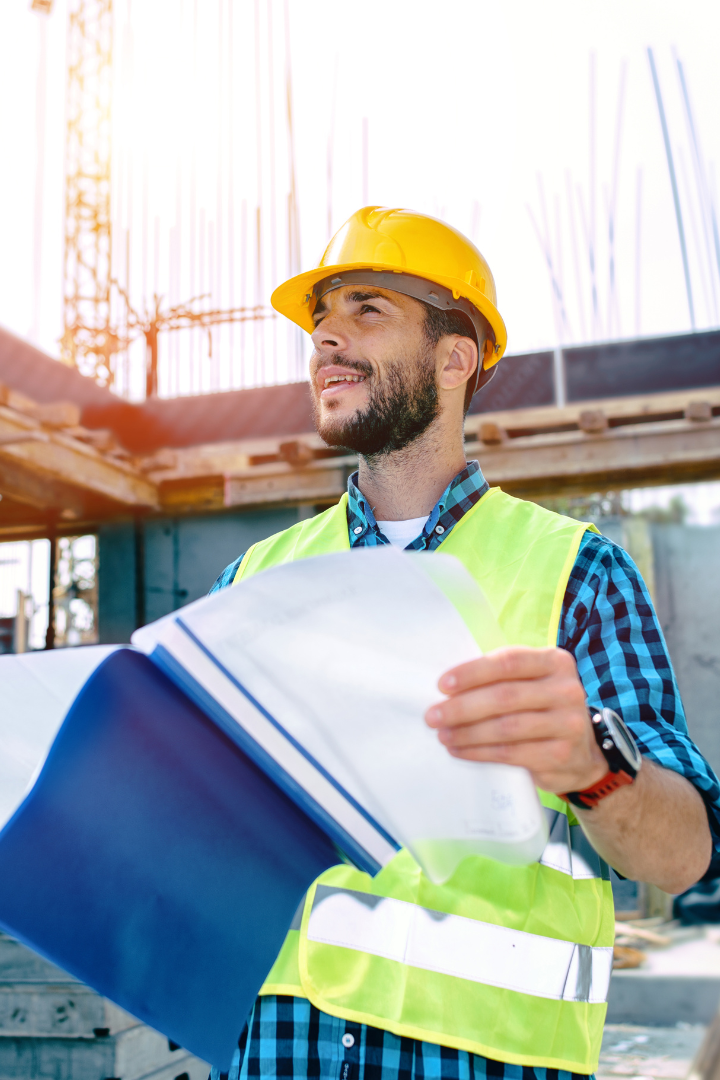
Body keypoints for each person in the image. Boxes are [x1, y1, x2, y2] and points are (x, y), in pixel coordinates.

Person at [210, 207, 720, 1080]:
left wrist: (590, 765)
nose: (326, 337)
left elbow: (683, 857)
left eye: (366, 308)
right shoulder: (258, 579)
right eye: (319, 319)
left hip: (491, 1060)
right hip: (284, 1055)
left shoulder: (576, 573)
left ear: (456, 358)